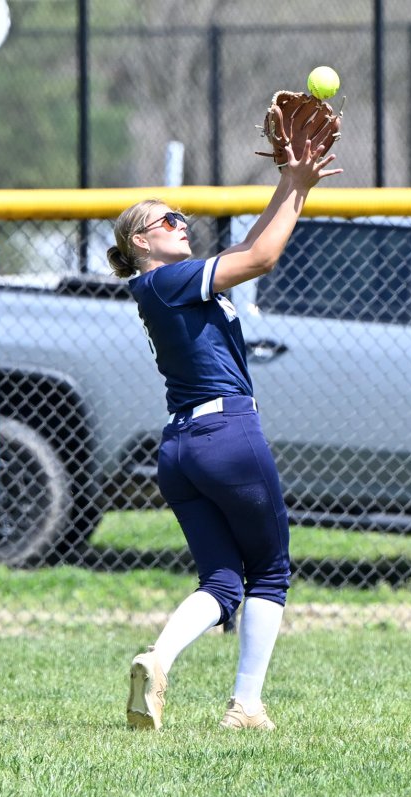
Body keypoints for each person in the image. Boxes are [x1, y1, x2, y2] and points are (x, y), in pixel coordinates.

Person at [107, 140, 342, 732]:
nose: (182, 224)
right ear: (141, 241)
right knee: (270, 569)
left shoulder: (170, 286)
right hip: (226, 434)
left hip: (180, 447)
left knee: (220, 579)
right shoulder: (170, 281)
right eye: (168, 220)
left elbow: (245, 248)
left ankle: (157, 659)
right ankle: (245, 705)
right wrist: (301, 187)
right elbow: (262, 258)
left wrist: (291, 180)